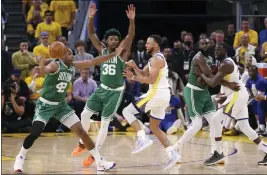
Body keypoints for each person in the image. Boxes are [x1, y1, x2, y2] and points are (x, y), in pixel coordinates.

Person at [13, 43, 125, 172]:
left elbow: (93, 61)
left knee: (82, 132)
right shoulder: (56, 65)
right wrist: (42, 63)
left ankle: (99, 162)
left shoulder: (73, 66)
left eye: (72, 53)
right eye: (68, 53)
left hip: (61, 106)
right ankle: (20, 156)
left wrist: (113, 55)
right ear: (61, 55)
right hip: (45, 105)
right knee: (36, 132)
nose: (72, 55)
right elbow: (44, 70)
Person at [71, 2, 135, 167]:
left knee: (105, 123)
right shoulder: (103, 51)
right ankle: (82, 143)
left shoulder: (122, 52)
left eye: (116, 39)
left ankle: (95, 155)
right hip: (101, 89)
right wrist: (91, 18)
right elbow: (91, 34)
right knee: (85, 115)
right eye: (111, 39)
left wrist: (131, 21)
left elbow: (130, 36)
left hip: (115, 92)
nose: (114, 41)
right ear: (106, 41)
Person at [198, 43, 267, 166]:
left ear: (226, 50)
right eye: (215, 50)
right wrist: (226, 88)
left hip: (237, 95)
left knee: (215, 119)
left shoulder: (227, 64)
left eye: (219, 49)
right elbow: (221, 80)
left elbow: (213, 83)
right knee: (245, 127)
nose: (216, 51)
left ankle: (218, 152)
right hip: (236, 94)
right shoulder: (222, 63)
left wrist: (202, 74)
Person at [122, 35, 181, 170]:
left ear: (156, 45)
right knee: (154, 127)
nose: (146, 45)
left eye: (149, 43)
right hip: (162, 95)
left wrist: (133, 77)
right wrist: (134, 67)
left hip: (156, 93)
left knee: (127, 111)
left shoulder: (157, 59)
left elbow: (151, 80)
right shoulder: (153, 59)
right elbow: (143, 73)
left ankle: (142, 138)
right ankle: (172, 154)